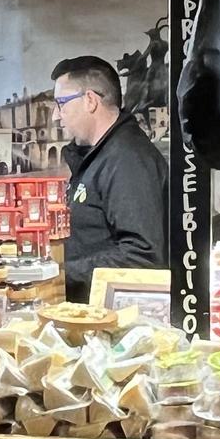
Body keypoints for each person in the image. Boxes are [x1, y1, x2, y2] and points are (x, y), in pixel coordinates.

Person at [52, 55, 168, 300]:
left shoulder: (128, 160)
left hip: (113, 322)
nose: (55, 115)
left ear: (90, 101)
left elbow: (142, 256)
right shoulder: (102, 156)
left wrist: (61, 272)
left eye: (61, 103)